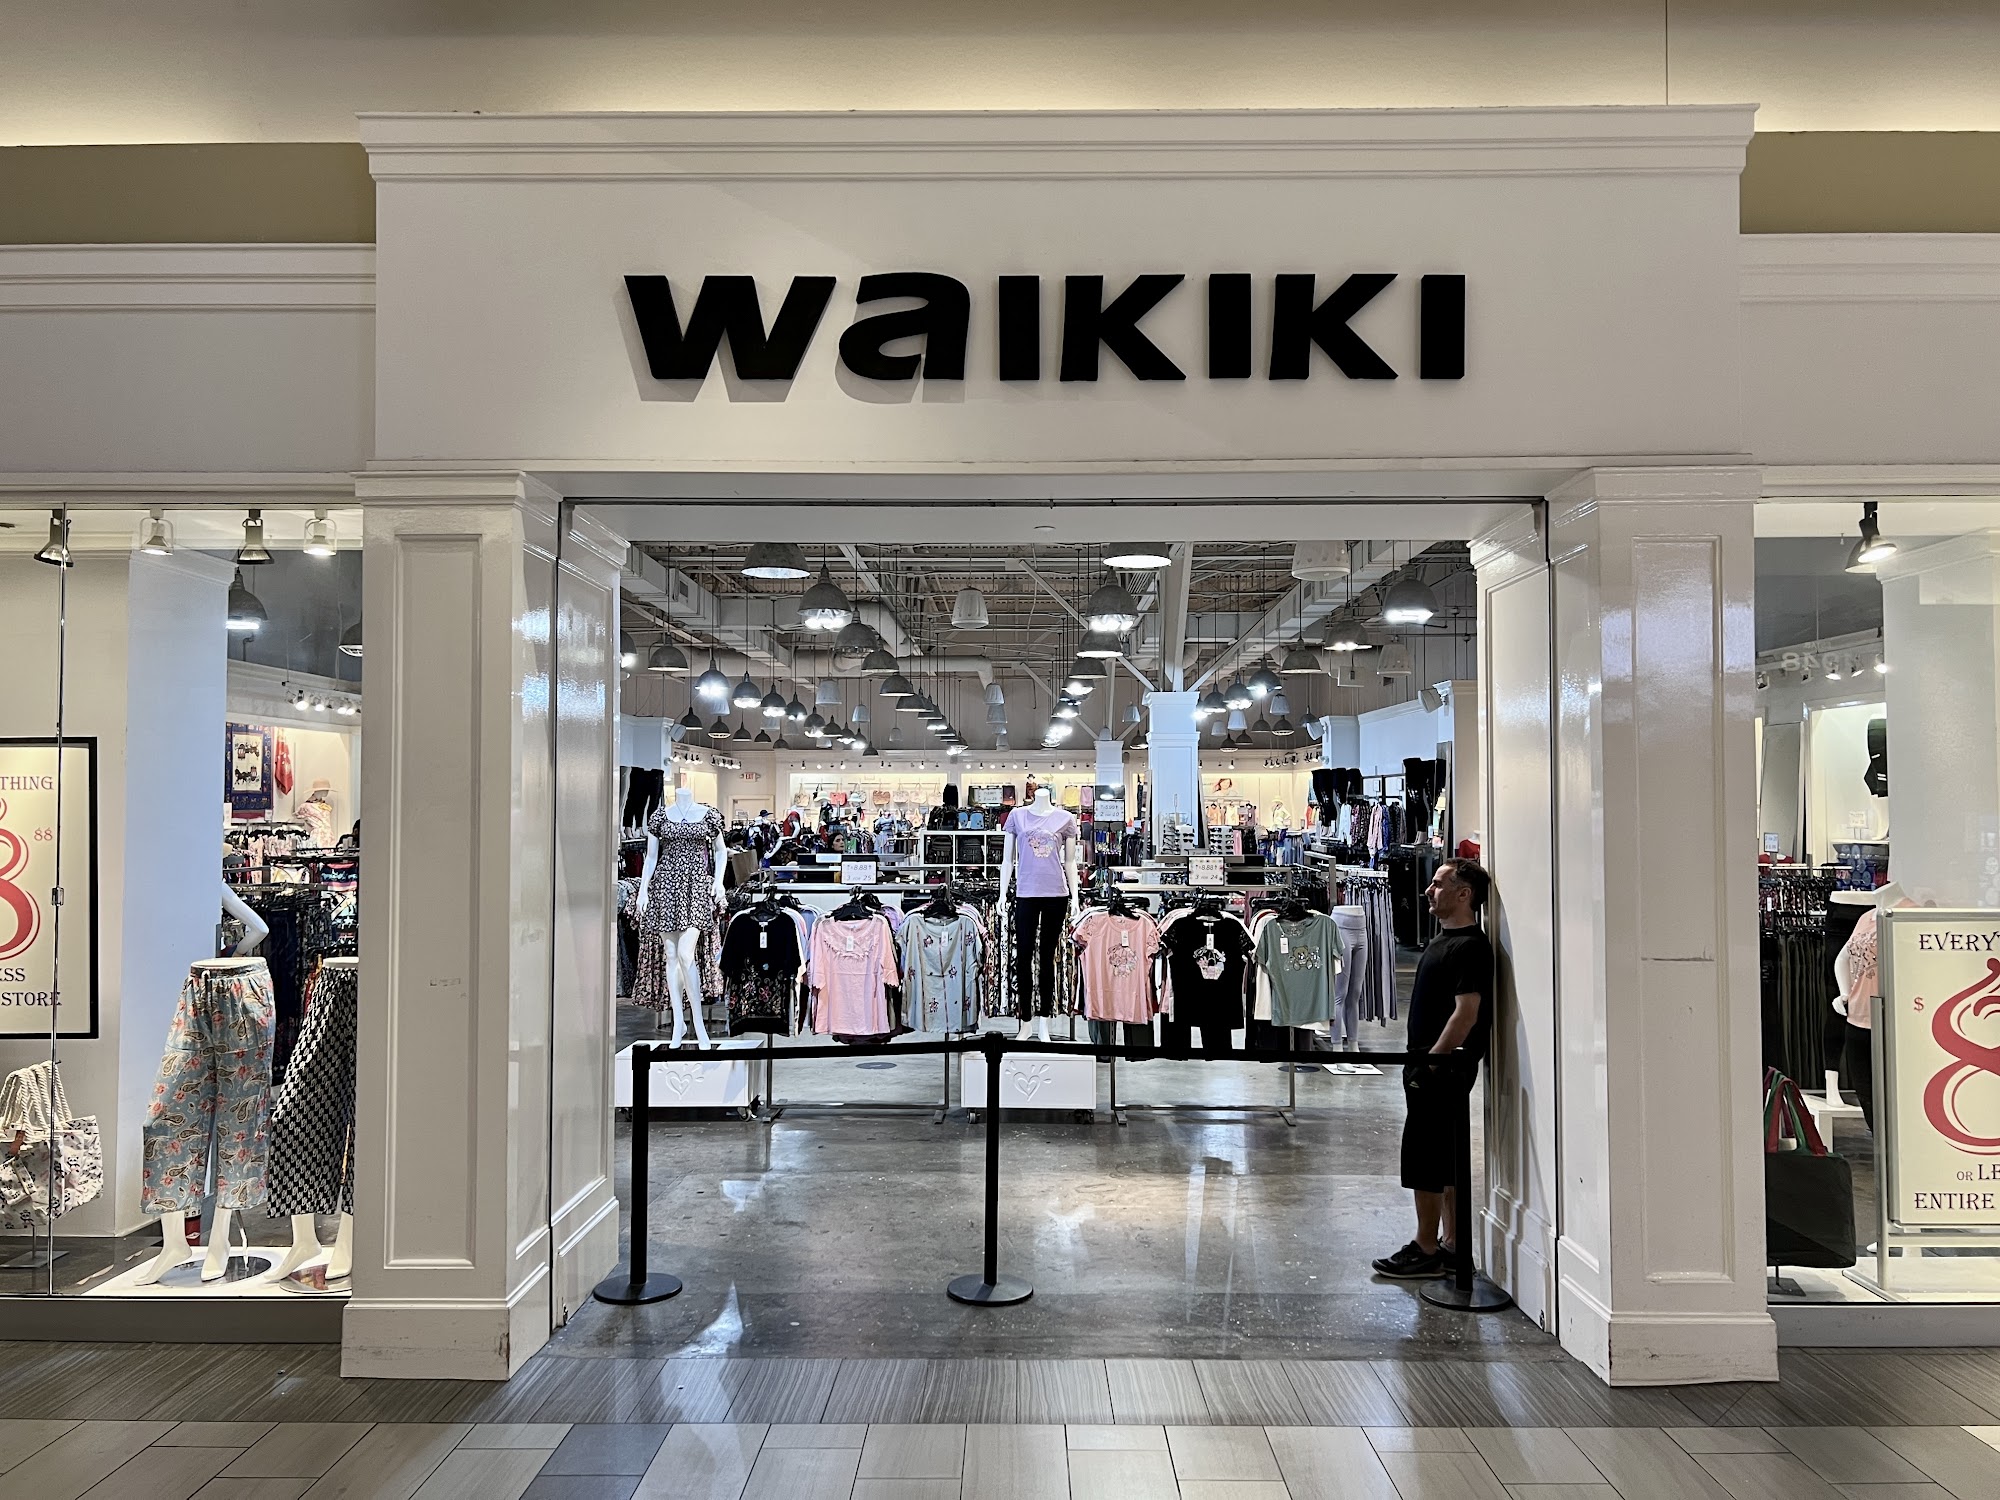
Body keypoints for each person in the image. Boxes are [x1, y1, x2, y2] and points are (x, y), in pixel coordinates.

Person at [1371, 857, 1494, 1280]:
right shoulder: (1446, 941)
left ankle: (1425, 1247)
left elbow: (1467, 1013)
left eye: (1439, 884)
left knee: (1424, 1157)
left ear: (1464, 894)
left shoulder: (1470, 947)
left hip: (1440, 1067)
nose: (1428, 889)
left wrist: (1433, 1063)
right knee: (1444, 1156)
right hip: (1433, 1063)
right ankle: (1452, 1245)